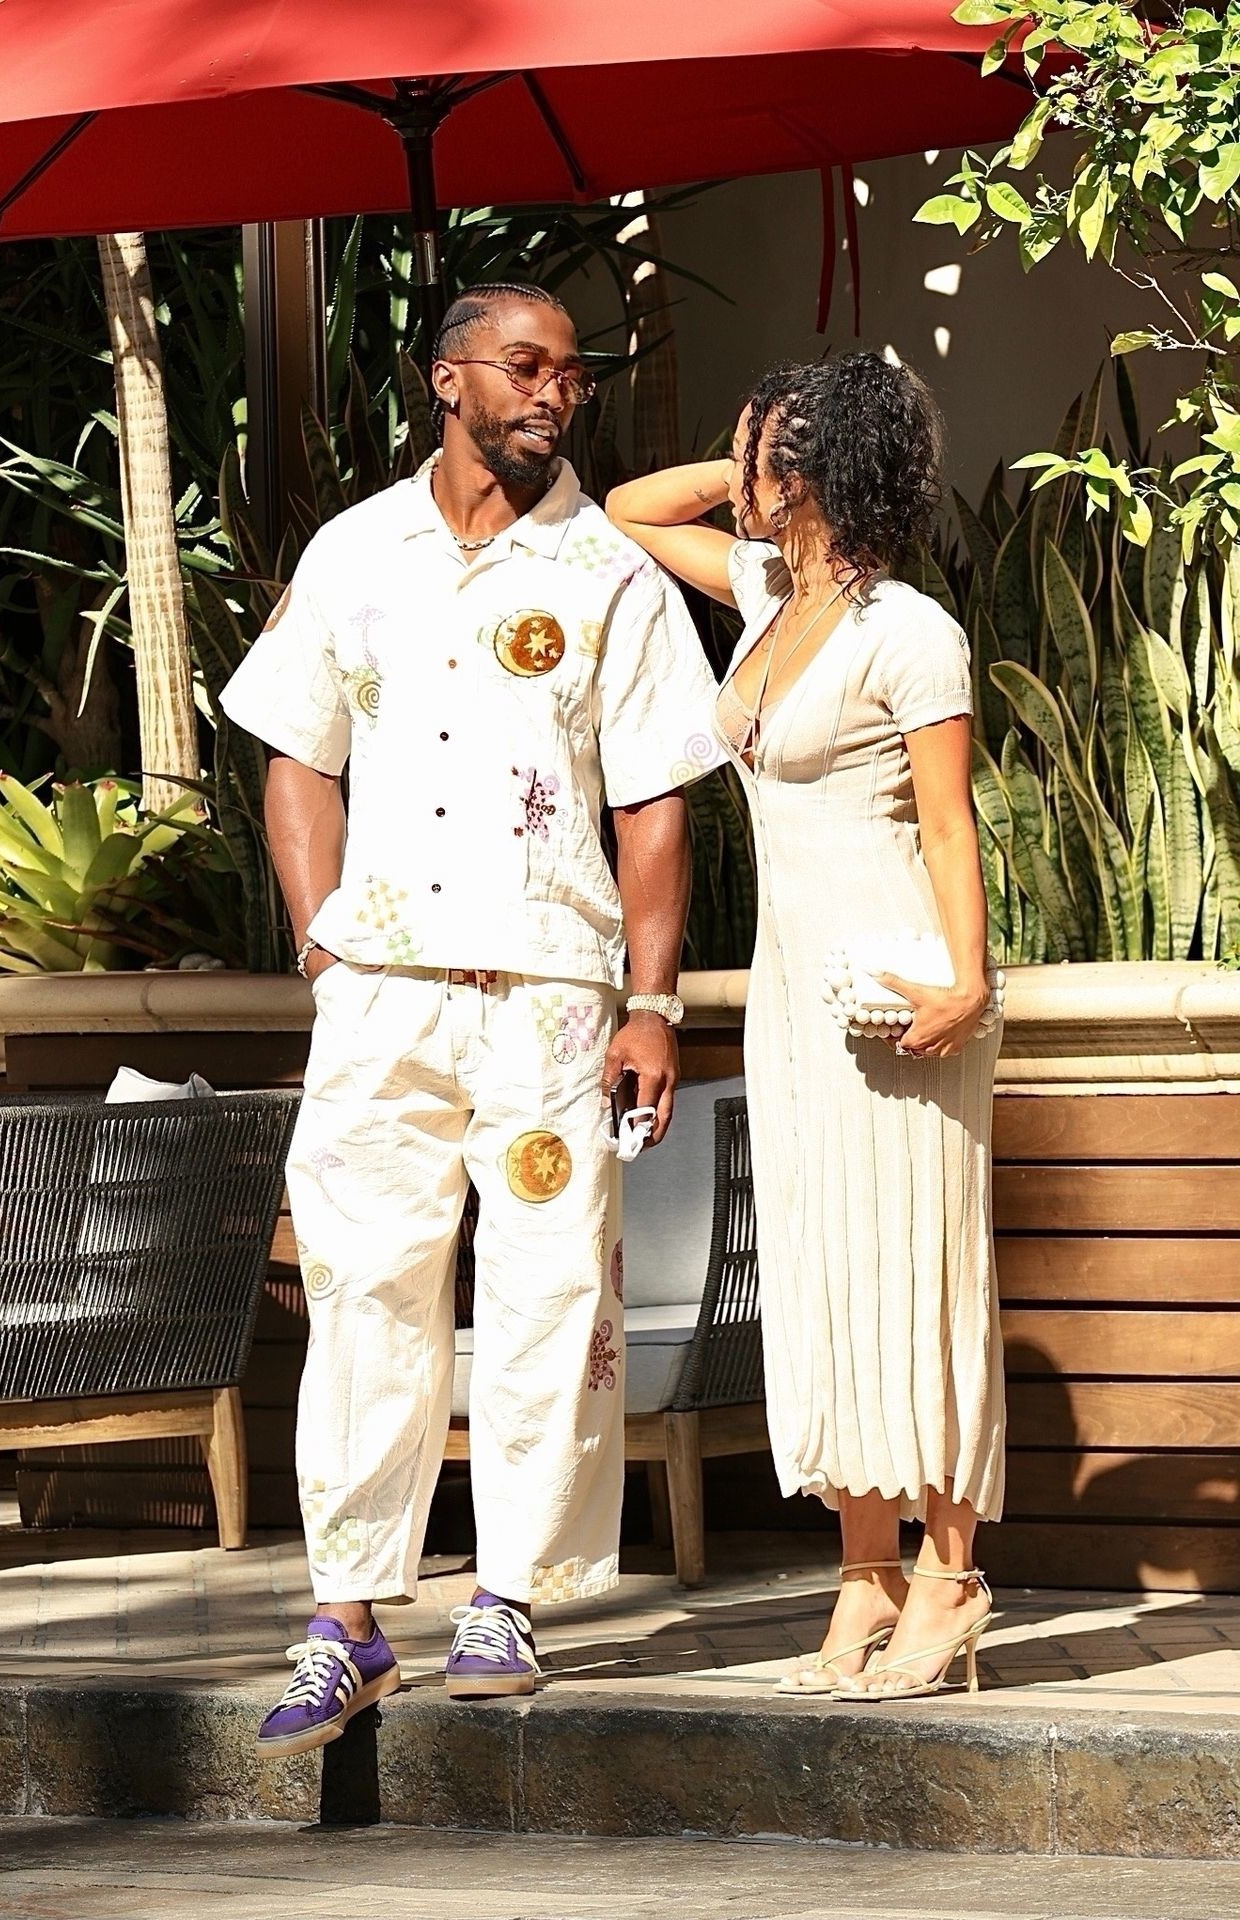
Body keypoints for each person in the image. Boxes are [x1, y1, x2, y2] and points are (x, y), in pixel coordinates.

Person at [221, 282, 724, 1757]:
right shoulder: (353, 553)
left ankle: (505, 1595)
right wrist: (322, 943)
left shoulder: (611, 571)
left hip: (553, 999)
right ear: (448, 381)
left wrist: (651, 1002)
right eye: (523, 366)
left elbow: (655, 802)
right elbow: (296, 751)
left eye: (570, 374)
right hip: (381, 995)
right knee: (362, 1288)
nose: (553, 392)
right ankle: (346, 1620)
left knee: (550, 1291)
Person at [606, 353, 1005, 1703]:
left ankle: (951, 1577)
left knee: (918, 1270)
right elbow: (629, 511)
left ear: (820, 468)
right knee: (827, 1274)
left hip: (900, 984)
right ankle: (865, 1575)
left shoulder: (911, 631)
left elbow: (948, 823)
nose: (740, 472)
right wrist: (748, 466)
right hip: (792, 991)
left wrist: (967, 978)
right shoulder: (768, 591)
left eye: (764, 451)